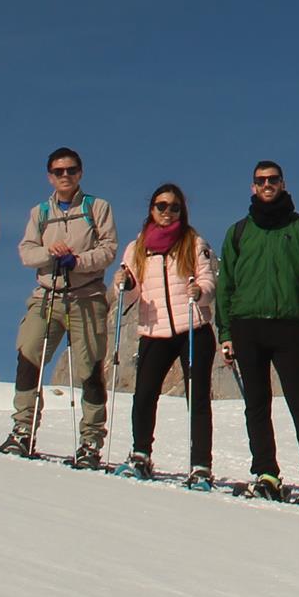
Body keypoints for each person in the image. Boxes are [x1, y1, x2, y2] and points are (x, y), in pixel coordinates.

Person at [215, 160, 299, 499]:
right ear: (253, 187)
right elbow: (225, 284)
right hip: (247, 325)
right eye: (261, 180)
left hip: (288, 326)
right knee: (256, 404)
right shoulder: (239, 232)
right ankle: (266, 473)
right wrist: (225, 333)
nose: (267, 184)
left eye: (273, 179)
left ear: (283, 184)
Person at [0, 148, 118, 465]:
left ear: (80, 173)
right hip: (47, 294)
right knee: (28, 354)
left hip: (86, 296)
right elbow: (26, 252)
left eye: (71, 170)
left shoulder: (97, 207)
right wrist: (51, 254)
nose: (65, 176)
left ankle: (91, 442)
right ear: (50, 176)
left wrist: (76, 261)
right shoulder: (40, 212)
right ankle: (22, 430)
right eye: (59, 171)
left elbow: (108, 250)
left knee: (90, 367)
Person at [113, 183, 214, 480]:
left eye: (174, 207)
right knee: (144, 394)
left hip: (192, 327)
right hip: (154, 330)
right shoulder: (137, 247)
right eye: (161, 206)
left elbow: (208, 280)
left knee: (197, 398)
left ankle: (200, 465)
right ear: (151, 209)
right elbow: (129, 291)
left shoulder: (193, 242)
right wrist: (126, 284)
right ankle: (141, 454)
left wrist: (201, 290)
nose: (167, 212)